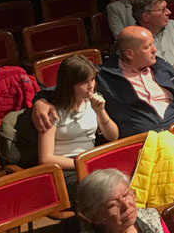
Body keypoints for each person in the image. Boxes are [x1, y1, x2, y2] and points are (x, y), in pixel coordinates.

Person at [32, 26, 174, 139]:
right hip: (143, 144)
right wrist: (40, 101)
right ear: (130, 54)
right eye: (148, 47)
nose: (155, 49)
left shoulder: (161, 66)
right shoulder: (104, 76)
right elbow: (65, 87)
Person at [37, 54, 118, 196]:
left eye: (92, 79)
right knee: (99, 192)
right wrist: (80, 163)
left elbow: (113, 136)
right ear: (70, 84)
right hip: (65, 168)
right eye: (84, 82)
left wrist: (101, 112)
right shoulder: (53, 111)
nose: (90, 86)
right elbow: (45, 158)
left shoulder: (94, 101)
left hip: (90, 162)